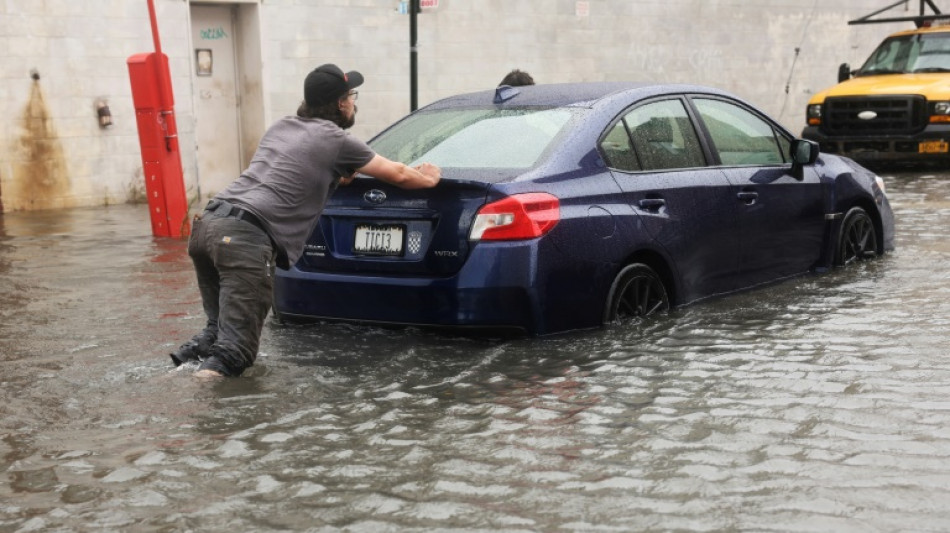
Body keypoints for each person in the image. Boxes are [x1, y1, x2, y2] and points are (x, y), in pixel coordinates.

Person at [171, 63, 441, 378]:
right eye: (351, 96)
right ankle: (195, 402)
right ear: (340, 103)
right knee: (233, 354)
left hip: (209, 224)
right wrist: (429, 177)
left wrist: (339, 175)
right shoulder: (338, 141)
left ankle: (171, 377)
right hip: (243, 239)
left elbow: (292, 170)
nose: (354, 102)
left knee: (215, 333)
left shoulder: (281, 126)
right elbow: (399, 174)